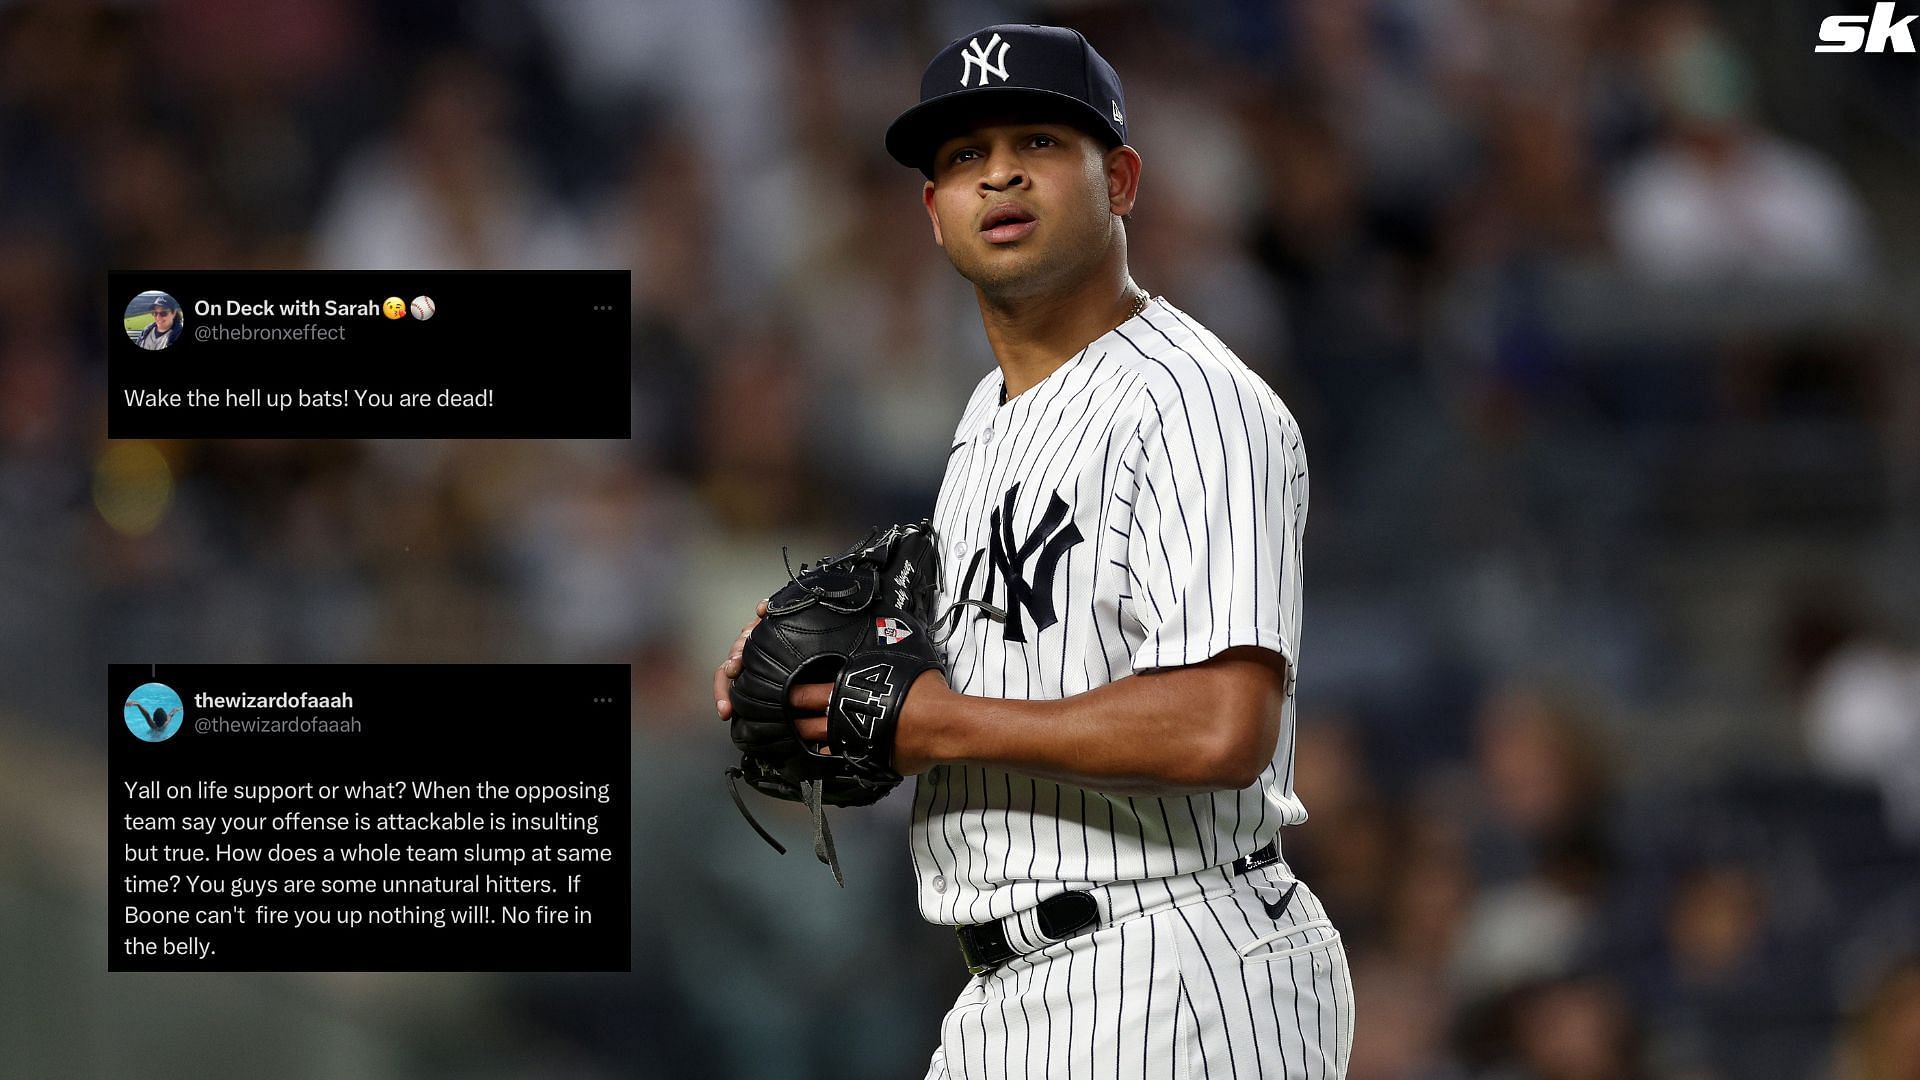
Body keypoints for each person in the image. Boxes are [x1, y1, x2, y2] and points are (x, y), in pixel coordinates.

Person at [717, 23, 1352, 1078]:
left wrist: (933, 720)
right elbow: (987, 682)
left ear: (1122, 181)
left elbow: (1222, 724)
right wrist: (823, 690)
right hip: (1011, 994)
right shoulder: (987, 417)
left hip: (1180, 965)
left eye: (1039, 142)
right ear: (933, 212)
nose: (999, 172)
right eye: (963, 157)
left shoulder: (1193, 403)